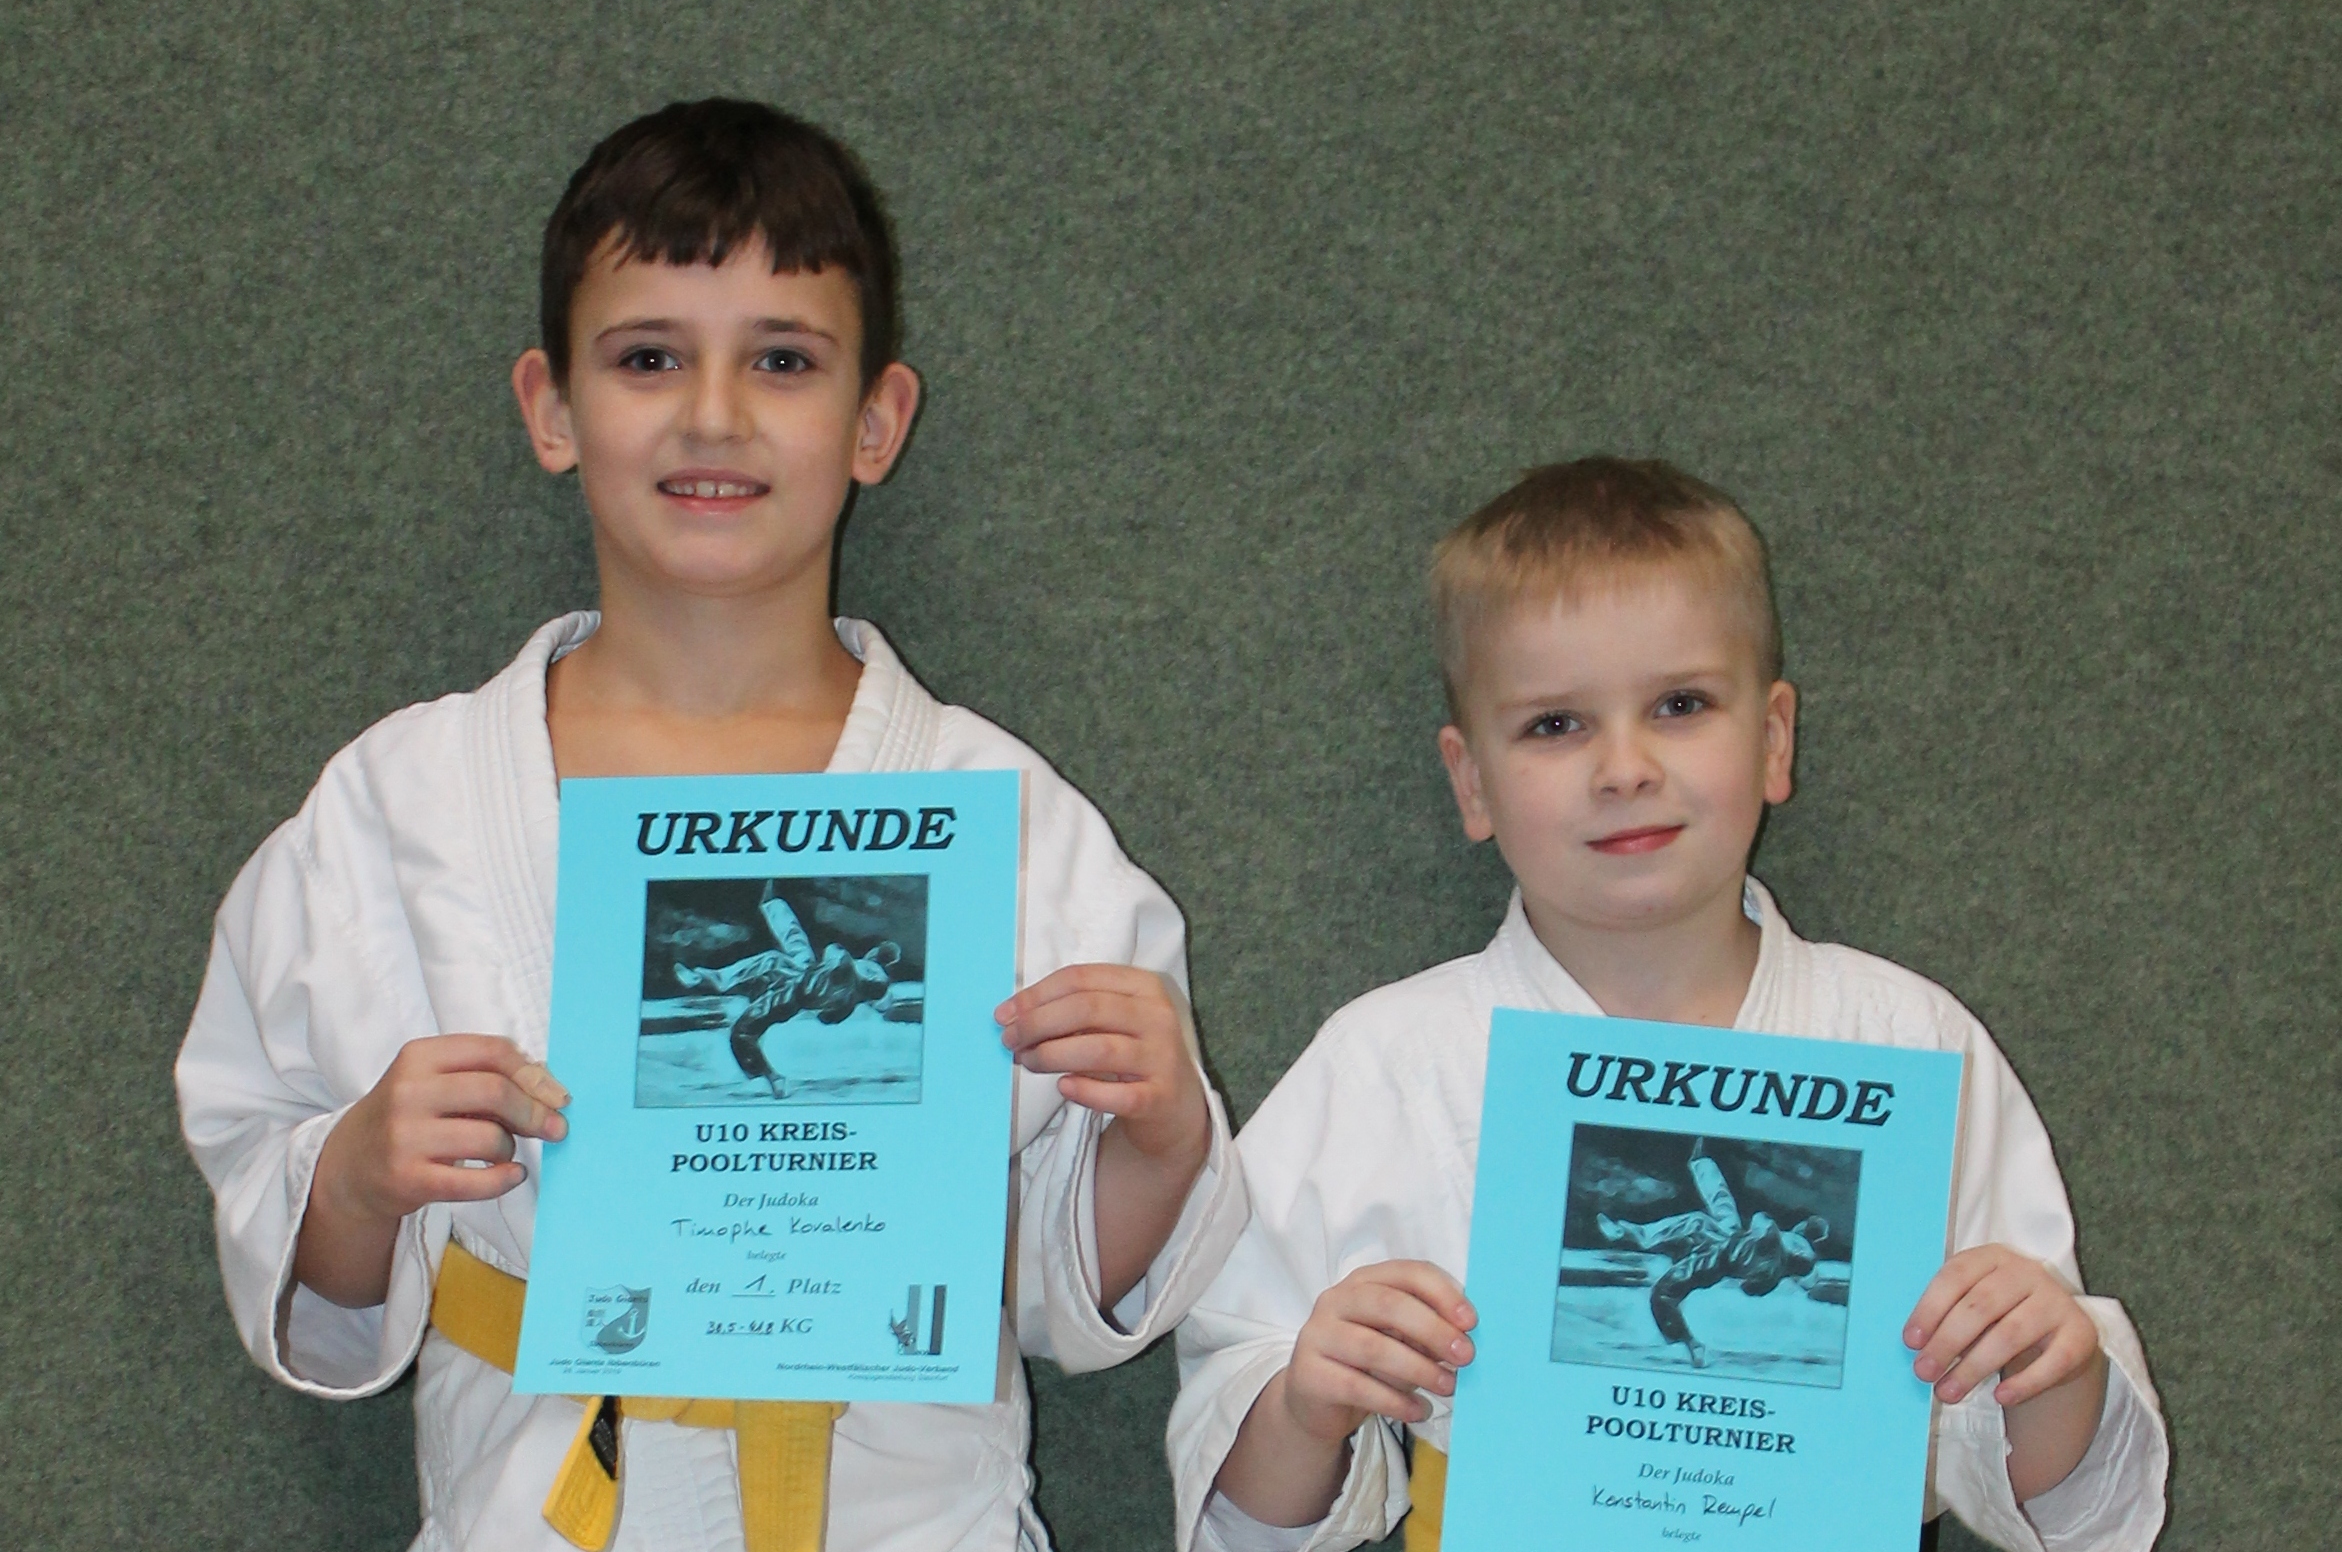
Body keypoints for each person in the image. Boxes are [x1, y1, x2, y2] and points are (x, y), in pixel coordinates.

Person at [176, 98, 1247, 1552]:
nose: (714, 414)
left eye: (784, 361)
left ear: (876, 422)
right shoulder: (398, 806)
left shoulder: (998, 818)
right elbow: (291, 1227)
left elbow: (1066, 1292)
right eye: (648, 357)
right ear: (551, 409)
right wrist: (358, 1170)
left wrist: (1158, 1126)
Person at [1167, 459, 2167, 1552]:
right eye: (1554, 724)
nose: (1623, 766)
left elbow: (2072, 1514)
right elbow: (1244, 1519)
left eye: (1679, 705)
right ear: (1469, 783)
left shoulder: (1909, 1046)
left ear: (1773, 739)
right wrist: (1311, 1398)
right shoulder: (1388, 1062)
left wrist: (2049, 1361)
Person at [1591, 1143, 1831, 1367]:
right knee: (1715, 1214)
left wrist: (1777, 1270)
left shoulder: (1792, 1245)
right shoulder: (1798, 1253)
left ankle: (1637, 1231)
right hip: (1737, 1246)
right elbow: (1806, 1282)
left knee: (1698, 1232)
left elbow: (1784, 1259)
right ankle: (1699, 1163)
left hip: (1733, 1253)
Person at [675, 884, 902, 1096]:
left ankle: (711, 979)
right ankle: (770, 902)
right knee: (793, 946)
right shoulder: (866, 988)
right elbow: (837, 1014)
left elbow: (835, 961)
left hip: (801, 988)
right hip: (808, 982)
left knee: (772, 965)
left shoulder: (853, 969)